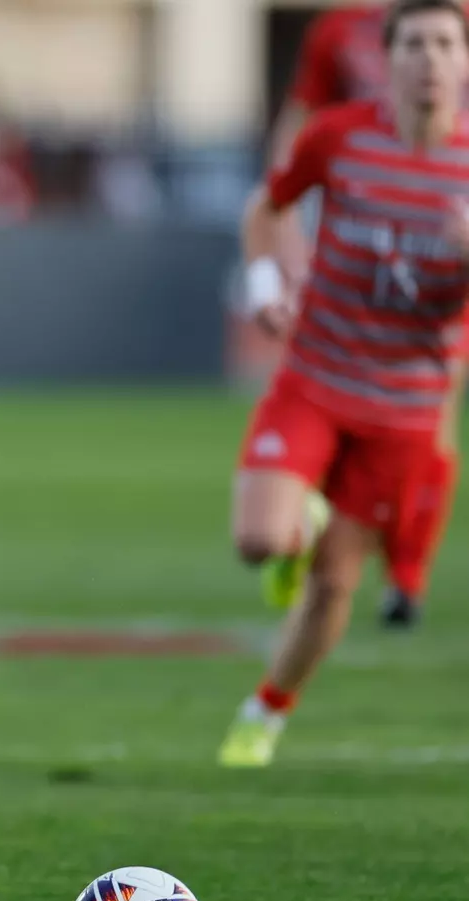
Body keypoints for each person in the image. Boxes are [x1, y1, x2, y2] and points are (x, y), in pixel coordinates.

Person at [223, 0, 469, 768]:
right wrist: (268, 285)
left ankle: (265, 711)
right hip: (317, 376)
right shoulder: (341, 135)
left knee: (333, 589)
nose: (429, 59)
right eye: (415, 45)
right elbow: (266, 207)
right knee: (258, 542)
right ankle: (298, 524)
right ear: (385, 59)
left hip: (403, 404)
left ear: (463, 61)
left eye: (444, 44)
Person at [267, 0, 460, 629]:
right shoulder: (339, 28)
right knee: (333, 388)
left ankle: (407, 573)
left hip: (443, 240)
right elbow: (298, 126)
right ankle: (307, 519)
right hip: (363, 232)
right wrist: (280, 244)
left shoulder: (453, 23)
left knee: (432, 414)